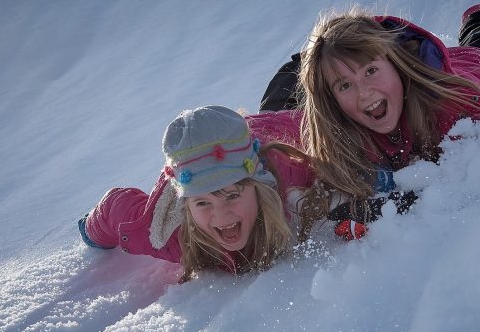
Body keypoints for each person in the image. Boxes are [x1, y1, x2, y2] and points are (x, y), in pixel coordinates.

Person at [275, 5, 480, 239]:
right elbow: (275, 135)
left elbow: (456, 181)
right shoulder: (339, 125)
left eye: (370, 71)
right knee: (294, 86)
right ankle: (315, 63)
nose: (364, 92)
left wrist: (394, 204)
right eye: (345, 85)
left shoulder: (453, 108)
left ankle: (477, 16)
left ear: (396, 63)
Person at [78, 105, 313, 280]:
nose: (221, 215)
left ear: (258, 187)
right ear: (186, 206)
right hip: (203, 160)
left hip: (276, 126)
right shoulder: (167, 233)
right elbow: (114, 208)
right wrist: (91, 231)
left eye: (232, 195)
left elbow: (320, 130)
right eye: (202, 203)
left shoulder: (288, 170)